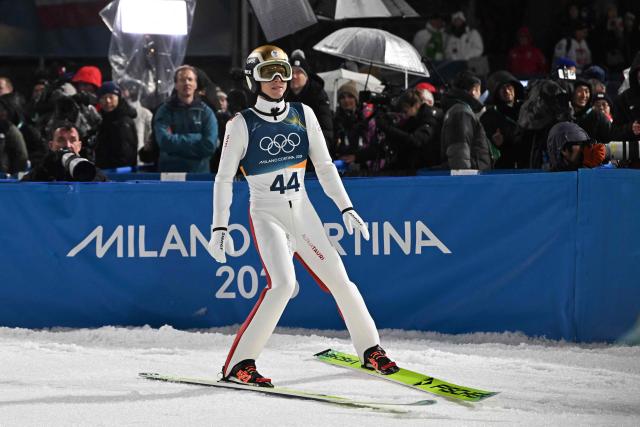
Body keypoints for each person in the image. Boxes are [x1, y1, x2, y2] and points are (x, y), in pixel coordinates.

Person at [209, 45, 398, 387]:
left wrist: (346, 206)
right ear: (254, 77)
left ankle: (371, 350)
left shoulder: (304, 113)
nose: (279, 79)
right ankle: (239, 365)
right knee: (282, 286)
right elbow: (223, 178)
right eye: (268, 72)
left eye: (283, 70)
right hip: (267, 213)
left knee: (341, 281)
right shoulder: (241, 124)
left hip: (303, 211)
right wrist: (219, 226)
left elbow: (325, 167)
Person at [153, 65, 218, 172]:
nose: (187, 83)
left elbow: (210, 145)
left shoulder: (206, 112)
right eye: (182, 80)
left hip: (199, 175)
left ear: (196, 84)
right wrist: (197, 137)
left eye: (190, 79)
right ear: (176, 85)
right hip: (170, 175)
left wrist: (176, 142)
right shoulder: (164, 111)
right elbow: (164, 142)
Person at [376, 88, 441, 171]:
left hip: (428, 169)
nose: (405, 116)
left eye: (406, 112)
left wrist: (387, 128)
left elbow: (416, 140)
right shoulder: (415, 118)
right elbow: (400, 139)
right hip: (415, 167)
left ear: (416, 105)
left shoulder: (430, 116)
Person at [440, 71, 493, 170]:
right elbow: (459, 153)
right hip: (471, 179)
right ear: (474, 90)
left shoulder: (459, 110)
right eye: (479, 90)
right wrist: (465, 181)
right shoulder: (461, 112)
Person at [21, 124, 106, 182]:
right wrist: (46, 167)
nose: (67, 145)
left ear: (79, 146)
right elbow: (24, 187)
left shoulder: (90, 169)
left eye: (72, 140)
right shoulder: (44, 168)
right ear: (51, 145)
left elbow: (106, 186)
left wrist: (83, 169)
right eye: (61, 140)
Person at [285, 49, 334, 150]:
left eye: (299, 72)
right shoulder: (282, 94)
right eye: (291, 72)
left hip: (313, 148)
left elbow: (326, 128)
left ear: (306, 76)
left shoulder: (317, 94)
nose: (294, 76)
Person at [480, 71, 524, 168]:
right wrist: (494, 144)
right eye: (502, 88)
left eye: (509, 87)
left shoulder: (526, 110)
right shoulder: (489, 117)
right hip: (504, 168)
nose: (507, 91)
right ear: (496, 93)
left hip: (527, 165)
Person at [94, 82, 138, 170]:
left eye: (111, 97)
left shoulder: (123, 122)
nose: (107, 101)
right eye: (103, 97)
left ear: (118, 98)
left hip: (119, 175)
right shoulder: (105, 120)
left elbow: (126, 154)